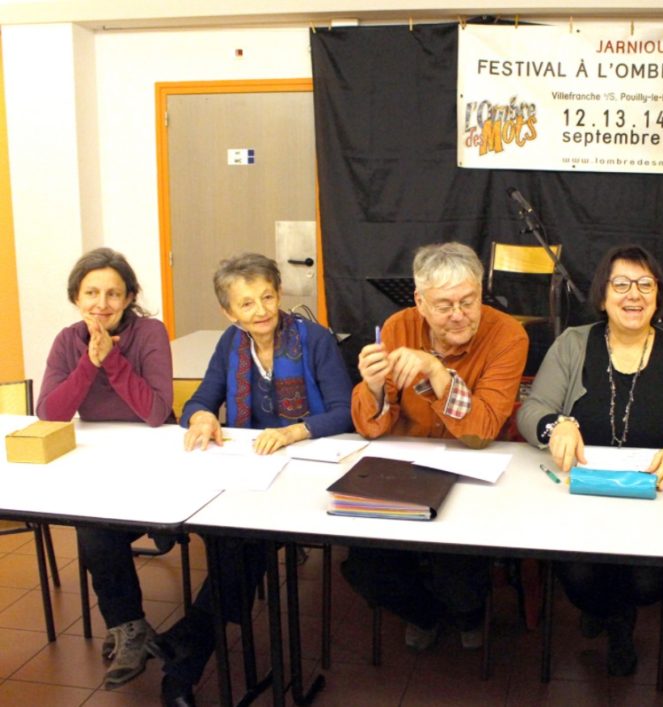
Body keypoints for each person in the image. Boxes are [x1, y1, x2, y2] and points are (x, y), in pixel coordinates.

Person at [516, 243, 663, 675]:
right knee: (577, 581)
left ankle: (615, 618)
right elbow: (531, 411)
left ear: (658, 296)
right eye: (621, 284)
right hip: (581, 495)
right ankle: (615, 620)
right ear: (602, 296)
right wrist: (556, 424)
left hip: (656, 498)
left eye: (645, 284)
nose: (634, 295)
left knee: (647, 584)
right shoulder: (573, 344)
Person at [156, 253, 352, 706]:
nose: (260, 310)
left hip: (309, 469)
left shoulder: (314, 339)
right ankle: (188, 653)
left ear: (280, 294)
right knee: (235, 545)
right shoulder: (230, 343)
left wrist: (293, 431)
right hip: (253, 471)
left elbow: (344, 413)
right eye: (246, 304)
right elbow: (202, 398)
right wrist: (202, 416)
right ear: (229, 312)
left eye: (267, 296)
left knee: (238, 549)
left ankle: (185, 654)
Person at [343, 241, 528, 651]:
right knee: (365, 569)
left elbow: (479, 433)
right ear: (420, 302)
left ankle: (465, 613)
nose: (460, 315)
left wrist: (437, 375)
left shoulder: (507, 335)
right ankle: (424, 613)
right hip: (407, 466)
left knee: (459, 577)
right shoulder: (398, 327)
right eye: (445, 306)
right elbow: (373, 428)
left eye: (469, 301)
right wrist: (373, 388)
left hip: (472, 471)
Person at [37, 247, 173, 688]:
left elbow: (155, 412)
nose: (102, 303)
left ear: (130, 296)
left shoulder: (149, 332)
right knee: (93, 528)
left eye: (114, 293)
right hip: (103, 466)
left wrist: (111, 360)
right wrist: (88, 362)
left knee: (142, 525)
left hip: (159, 463)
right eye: (91, 292)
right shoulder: (66, 340)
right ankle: (130, 626)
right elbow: (51, 414)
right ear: (76, 297)